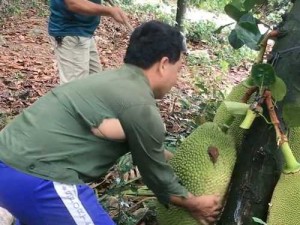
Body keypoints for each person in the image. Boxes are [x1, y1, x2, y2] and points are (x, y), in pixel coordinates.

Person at [0, 21, 221, 225]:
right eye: (179, 69)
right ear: (164, 64)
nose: (177, 78)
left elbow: (148, 150)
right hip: (40, 179)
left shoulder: (108, 82)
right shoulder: (141, 105)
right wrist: (194, 203)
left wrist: (175, 159)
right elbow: (156, 176)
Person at [48, 0, 130, 84]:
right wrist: (110, 11)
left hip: (85, 32)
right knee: (75, 86)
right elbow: (74, 3)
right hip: (70, 32)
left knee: (94, 80)